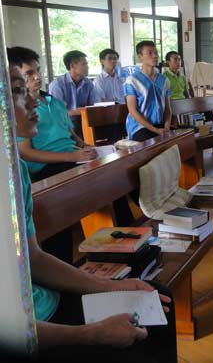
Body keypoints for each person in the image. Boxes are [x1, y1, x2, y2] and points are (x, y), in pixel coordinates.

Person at [3, 64, 177, 363]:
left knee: (156, 297)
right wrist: (90, 334)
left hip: (43, 301)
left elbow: (33, 258)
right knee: (137, 335)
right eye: (19, 92)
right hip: (31, 330)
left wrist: (111, 286)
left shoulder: (13, 169)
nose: (33, 100)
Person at [10, 47, 96, 182]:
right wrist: (71, 156)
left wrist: (87, 147)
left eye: (38, 70)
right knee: (95, 177)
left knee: (110, 164)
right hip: (47, 166)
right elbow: (25, 152)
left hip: (73, 156)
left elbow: (72, 135)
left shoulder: (55, 102)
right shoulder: (20, 110)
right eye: (29, 73)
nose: (37, 77)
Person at [125, 41, 172, 142]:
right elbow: (133, 110)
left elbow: (168, 108)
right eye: (150, 53)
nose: (155, 56)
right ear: (140, 57)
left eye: (156, 52)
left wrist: (167, 126)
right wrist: (155, 130)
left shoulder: (164, 80)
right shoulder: (132, 80)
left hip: (159, 125)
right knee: (153, 143)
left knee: (179, 142)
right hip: (140, 127)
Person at [48, 50, 100, 137]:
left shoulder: (88, 83)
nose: (88, 67)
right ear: (72, 66)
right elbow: (57, 113)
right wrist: (81, 111)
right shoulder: (57, 85)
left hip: (83, 121)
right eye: (84, 64)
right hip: (64, 123)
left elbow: (94, 105)